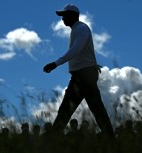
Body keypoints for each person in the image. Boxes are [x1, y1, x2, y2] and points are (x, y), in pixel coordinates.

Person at [43, 4, 114, 138]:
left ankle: (111, 140)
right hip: (80, 76)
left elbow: (77, 49)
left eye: (64, 15)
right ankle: (52, 139)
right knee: (69, 110)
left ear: (73, 16)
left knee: (95, 110)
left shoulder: (81, 28)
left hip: (85, 75)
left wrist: (56, 63)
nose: (62, 18)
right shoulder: (77, 30)